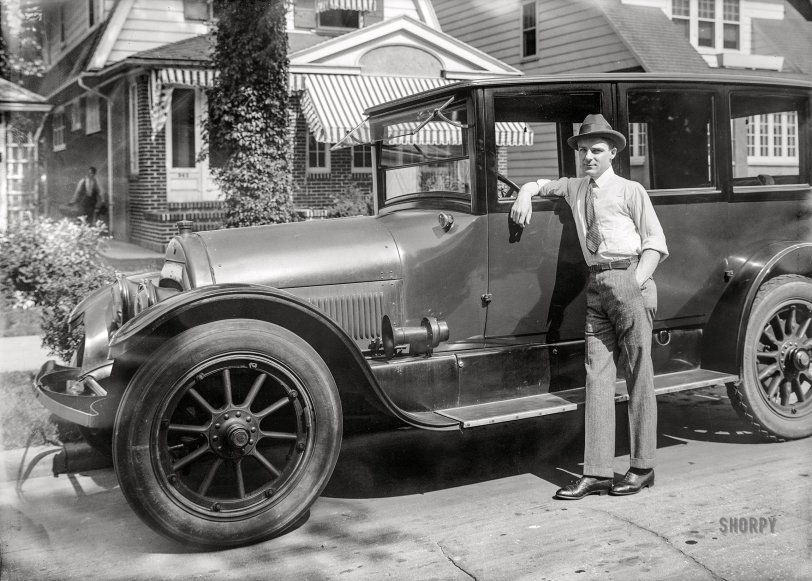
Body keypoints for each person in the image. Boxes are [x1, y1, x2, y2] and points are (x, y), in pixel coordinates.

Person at [510, 114, 668, 499]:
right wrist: (524, 194)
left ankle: (642, 466)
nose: (588, 157)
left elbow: (656, 244)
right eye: (583, 151)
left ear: (612, 152)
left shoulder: (631, 190)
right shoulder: (576, 188)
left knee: (637, 375)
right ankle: (597, 473)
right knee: (596, 377)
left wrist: (634, 282)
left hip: (629, 278)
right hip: (596, 285)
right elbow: (538, 182)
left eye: (596, 150)